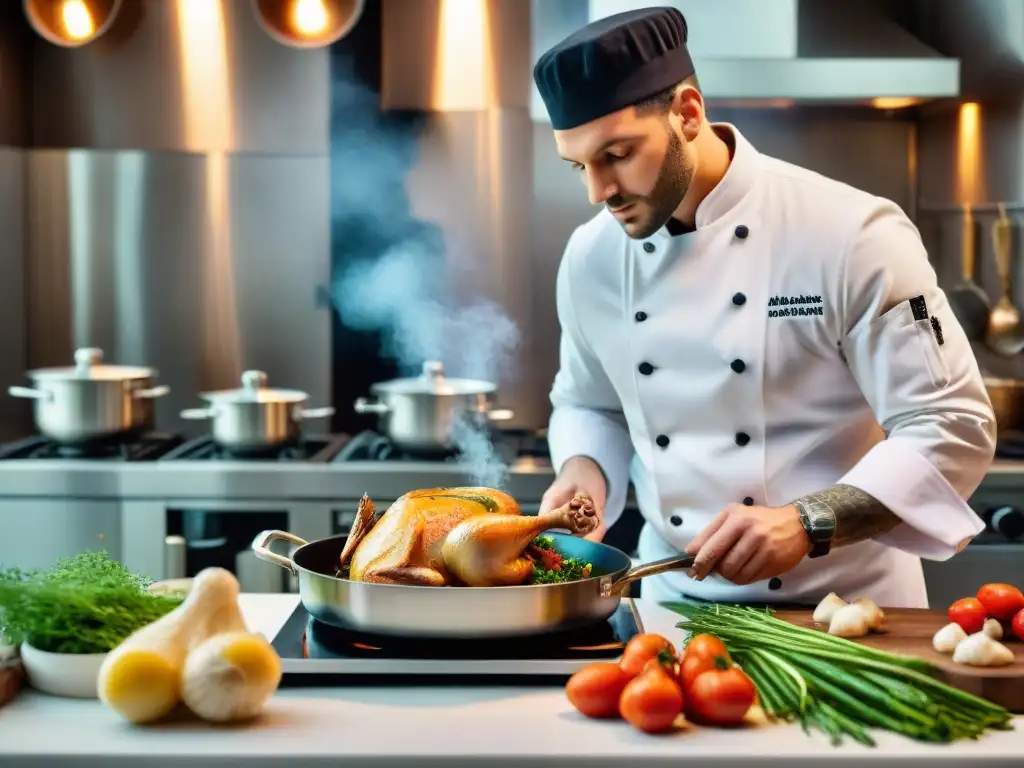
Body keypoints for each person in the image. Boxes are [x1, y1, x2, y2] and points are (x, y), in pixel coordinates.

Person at [533, 6, 996, 608]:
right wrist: (583, 475)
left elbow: (953, 423)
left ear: (688, 113)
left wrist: (809, 522)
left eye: (617, 155)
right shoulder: (591, 255)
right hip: (670, 609)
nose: (600, 192)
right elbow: (589, 402)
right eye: (580, 167)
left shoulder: (850, 232)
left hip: (847, 614)